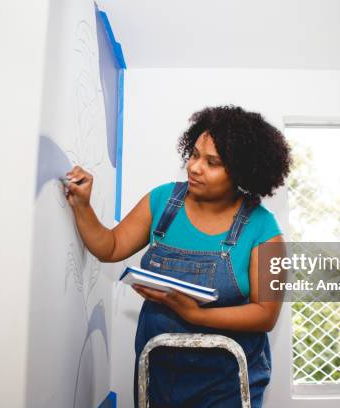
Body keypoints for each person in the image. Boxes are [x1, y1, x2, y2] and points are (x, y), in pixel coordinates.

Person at [64, 105, 291, 407]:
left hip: (230, 382)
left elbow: (266, 314)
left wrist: (195, 314)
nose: (195, 167)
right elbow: (111, 247)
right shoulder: (162, 200)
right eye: (194, 154)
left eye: (212, 163)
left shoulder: (265, 229)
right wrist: (82, 206)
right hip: (159, 373)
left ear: (241, 172)